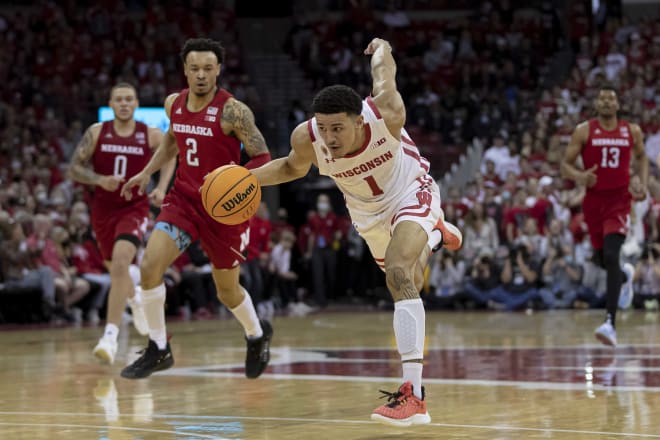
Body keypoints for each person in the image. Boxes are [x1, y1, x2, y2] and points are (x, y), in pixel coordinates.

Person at [251, 37, 462, 427]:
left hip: (410, 191)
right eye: (324, 128)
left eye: (338, 128)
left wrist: (382, 48)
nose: (329, 138)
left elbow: (384, 74)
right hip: (367, 215)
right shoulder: (308, 138)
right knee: (411, 278)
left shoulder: (386, 113)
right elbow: (289, 168)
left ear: (360, 120)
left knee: (398, 271)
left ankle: (413, 395)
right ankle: (436, 235)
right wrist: (244, 180)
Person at [119, 38, 273, 379]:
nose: (201, 75)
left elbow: (263, 157)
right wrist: (146, 173)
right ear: (185, 70)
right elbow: (172, 142)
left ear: (218, 69)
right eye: (194, 68)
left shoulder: (234, 110)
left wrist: (238, 182)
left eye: (208, 68)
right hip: (184, 201)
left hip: (224, 210)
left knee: (227, 291)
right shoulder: (174, 103)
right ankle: (159, 348)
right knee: (149, 267)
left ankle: (256, 334)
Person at [68, 82, 175, 364]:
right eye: (119, 100)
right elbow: (74, 168)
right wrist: (98, 179)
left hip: (134, 207)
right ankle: (136, 300)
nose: (124, 104)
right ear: (111, 104)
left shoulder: (149, 134)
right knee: (115, 269)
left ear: (136, 103)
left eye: (129, 99)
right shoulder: (97, 132)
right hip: (103, 211)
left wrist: (162, 187)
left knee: (120, 263)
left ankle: (110, 336)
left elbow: (170, 152)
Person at [561, 83, 648, 346]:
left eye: (612, 98)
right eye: (603, 99)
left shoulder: (631, 131)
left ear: (618, 104)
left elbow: (642, 158)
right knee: (600, 259)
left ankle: (610, 323)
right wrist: (579, 176)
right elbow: (565, 164)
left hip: (620, 201)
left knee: (611, 255)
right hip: (593, 202)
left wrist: (642, 183)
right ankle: (624, 277)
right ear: (597, 105)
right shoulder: (584, 130)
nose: (607, 102)